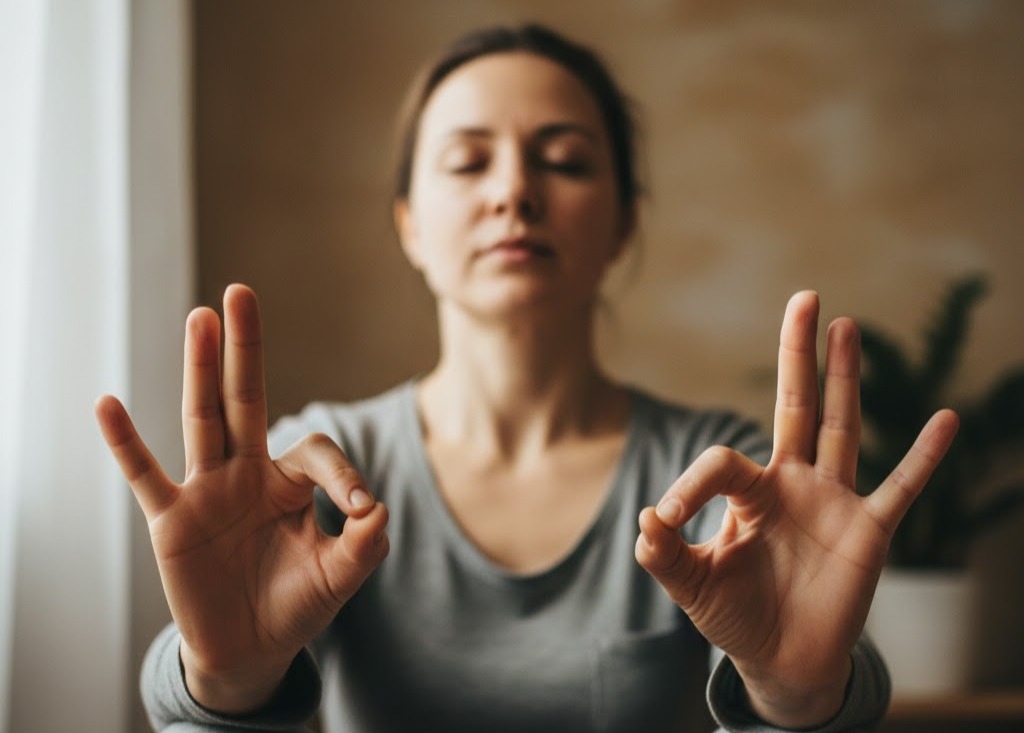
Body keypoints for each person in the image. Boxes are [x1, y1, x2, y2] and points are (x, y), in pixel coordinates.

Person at [95, 23, 958, 733]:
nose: (514, 191)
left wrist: (796, 693)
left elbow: (834, 678)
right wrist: (225, 679)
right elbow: (193, 695)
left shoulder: (718, 472)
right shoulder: (315, 468)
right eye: (468, 162)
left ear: (623, 224)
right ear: (410, 224)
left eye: (566, 160)